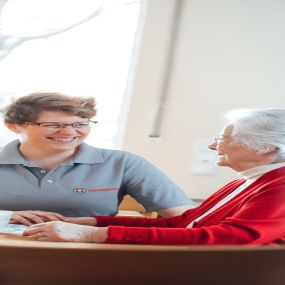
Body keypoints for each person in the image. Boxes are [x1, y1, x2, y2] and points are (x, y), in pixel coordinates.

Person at [24, 108, 285, 245]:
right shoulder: (248, 180)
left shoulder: (279, 185)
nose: (213, 146)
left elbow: (233, 238)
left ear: (265, 147)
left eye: (224, 139)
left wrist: (89, 235)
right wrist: (91, 223)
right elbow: (184, 224)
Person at [0, 92, 195, 226]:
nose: (69, 132)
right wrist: (4, 218)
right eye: (52, 125)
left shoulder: (124, 163)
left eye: (80, 123)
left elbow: (188, 219)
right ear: (13, 125)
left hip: (91, 258)